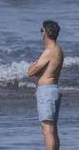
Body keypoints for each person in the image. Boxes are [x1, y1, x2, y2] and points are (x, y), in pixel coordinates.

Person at [27, 20, 64, 150]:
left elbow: (31, 71)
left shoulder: (49, 51)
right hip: (52, 90)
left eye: (41, 30)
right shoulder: (58, 49)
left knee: (47, 130)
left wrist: (34, 64)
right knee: (52, 129)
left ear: (45, 32)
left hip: (47, 91)